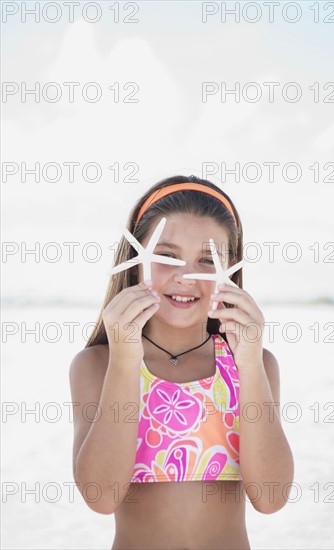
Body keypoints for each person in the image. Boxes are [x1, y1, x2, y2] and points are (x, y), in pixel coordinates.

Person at [69, 174, 294, 550]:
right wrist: (125, 363)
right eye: (167, 256)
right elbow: (101, 495)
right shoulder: (99, 365)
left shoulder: (253, 365)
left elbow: (270, 498)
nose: (185, 277)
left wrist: (251, 366)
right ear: (135, 259)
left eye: (207, 260)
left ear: (232, 268)